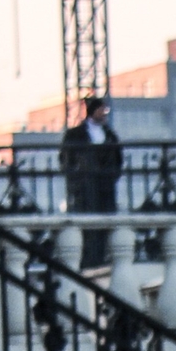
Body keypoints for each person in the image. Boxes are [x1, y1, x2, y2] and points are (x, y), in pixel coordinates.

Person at [57, 95, 123, 269]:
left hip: (105, 188)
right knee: (85, 226)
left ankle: (101, 258)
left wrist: (111, 175)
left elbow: (117, 160)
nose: (104, 113)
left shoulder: (109, 135)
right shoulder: (75, 135)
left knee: (104, 225)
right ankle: (88, 260)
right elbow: (65, 160)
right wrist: (76, 178)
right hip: (84, 189)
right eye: (101, 110)